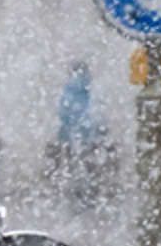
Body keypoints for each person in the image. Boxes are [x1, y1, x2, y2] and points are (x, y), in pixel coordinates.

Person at [48, 60, 114, 209]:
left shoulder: (69, 89)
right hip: (90, 137)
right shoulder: (91, 89)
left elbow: (63, 112)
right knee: (90, 167)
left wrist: (68, 130)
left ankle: (78, 194)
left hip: (71, 136)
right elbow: (98, 112)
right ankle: (90, 194)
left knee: (75, 166)